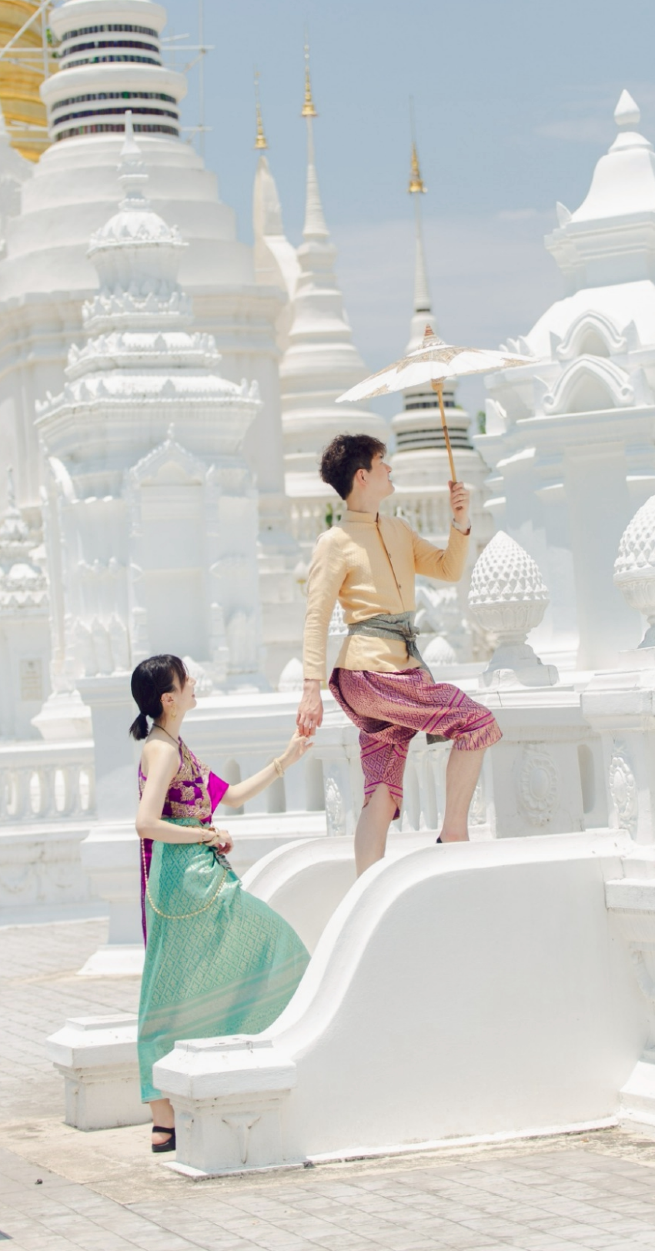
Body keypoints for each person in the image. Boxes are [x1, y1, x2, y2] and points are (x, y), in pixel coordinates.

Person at [133, 654, 312, 1154]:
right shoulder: (162, 751)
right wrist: (203, 834)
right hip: (186, 880)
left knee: (182, 980)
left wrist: (285, 759)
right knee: (262, 946)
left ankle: (166, 1112)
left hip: (194, 872)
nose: (193, 682)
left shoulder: (172, 744)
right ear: (169, 699)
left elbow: (229, 795)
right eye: (184, 678)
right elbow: (145, 822)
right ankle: (163, 1110)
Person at [298, 434, 501, 874]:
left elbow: (447, 569)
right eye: (382, 463)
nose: (390, 469)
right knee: (476, 721)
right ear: (362, 476)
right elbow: (316, 617)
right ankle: (454, 833)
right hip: (371, 674)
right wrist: (310, 690)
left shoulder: (398, 530)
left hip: (395, 672)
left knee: (383, 790)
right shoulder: (334, 541)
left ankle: (365, 888)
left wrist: (460, 522)